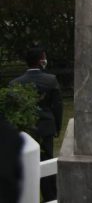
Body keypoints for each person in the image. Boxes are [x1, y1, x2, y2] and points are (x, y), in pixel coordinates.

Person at [9, 46, 62, 200]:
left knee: (26, 163)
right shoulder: (50, 80)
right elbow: (57, 107)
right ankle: (50, 196)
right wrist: (57, 126)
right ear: (41, 60)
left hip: (25, 129)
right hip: (46, 127)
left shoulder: (15, 84)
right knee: (46, 160)